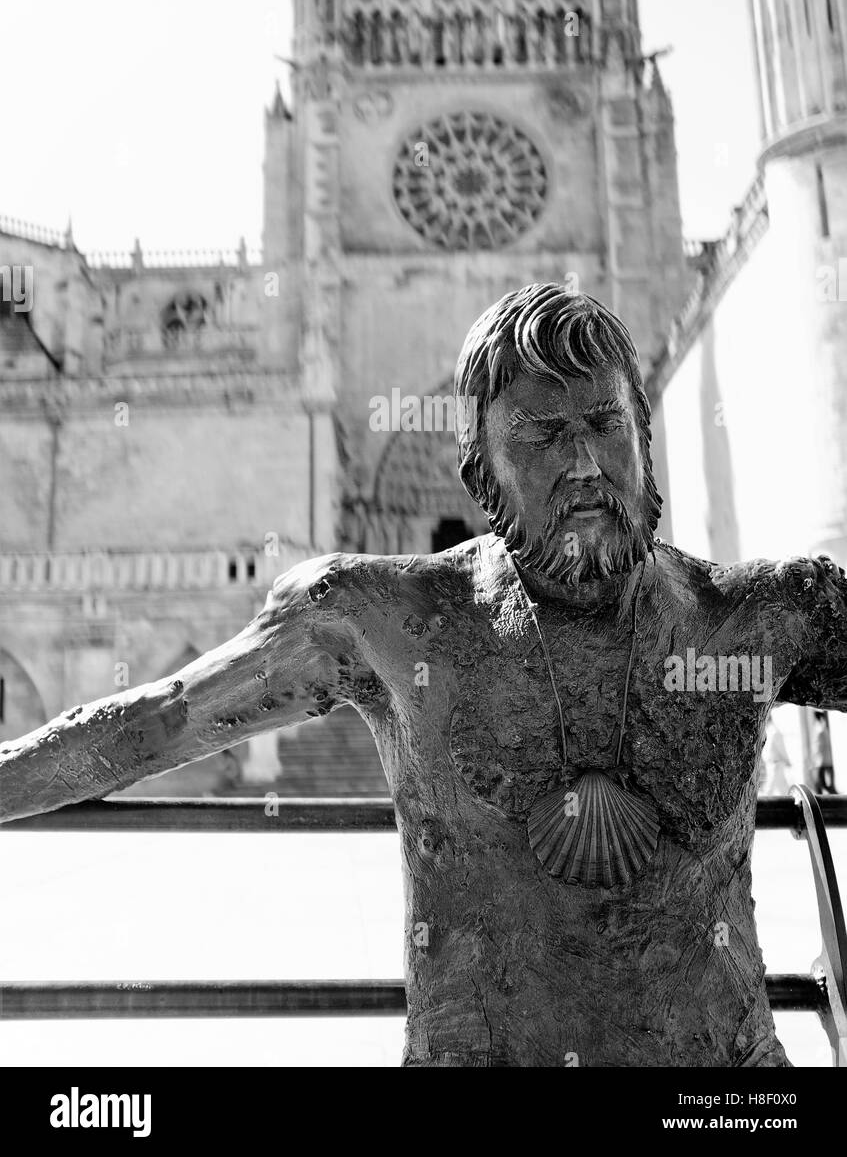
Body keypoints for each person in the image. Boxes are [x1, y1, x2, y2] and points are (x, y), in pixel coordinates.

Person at [3, 284, 846, 1068]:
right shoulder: (389, 620)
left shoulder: (757, 616)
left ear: (643, 433)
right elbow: (160, 720)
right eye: (541, 436)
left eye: (603, 424)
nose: (586, 464)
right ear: (477, 467)